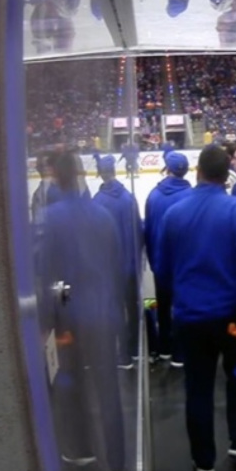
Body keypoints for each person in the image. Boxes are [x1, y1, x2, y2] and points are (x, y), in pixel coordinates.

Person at [156, 145, 236, 471]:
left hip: (190, 318)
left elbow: (162, 268)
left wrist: (180, 299)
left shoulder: (174, 213)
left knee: (198, 388)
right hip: (233, 319)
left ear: (198, 172)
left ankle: (203, 461)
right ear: (226, 175)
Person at [36, 150, 126, 471]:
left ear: (55, 176)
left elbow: (50, 276)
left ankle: (82, 449)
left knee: (71, 382)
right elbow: (115, 268)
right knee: (108, 388)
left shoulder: (51, 218)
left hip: (70, 319)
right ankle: (117, 462)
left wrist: (51, 319)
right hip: (103, 314)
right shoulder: (103, 215)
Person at [91, 155, 144, 369]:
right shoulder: (128, 198)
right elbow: (139, 233)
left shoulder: (97, 202)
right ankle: (135, 349)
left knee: (114, 309)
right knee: (132, 307)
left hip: (109, 269)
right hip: (129, 265)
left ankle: (123, 355)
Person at [144, 151, 192, 367]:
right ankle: (180, 352)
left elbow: (148, 231)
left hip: (160, 262)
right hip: (185, 264)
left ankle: (164, 347)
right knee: (183, 307)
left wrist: (153, 259)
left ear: (167, 169)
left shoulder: (154, 196)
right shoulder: (192, 196)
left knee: (163, 305)